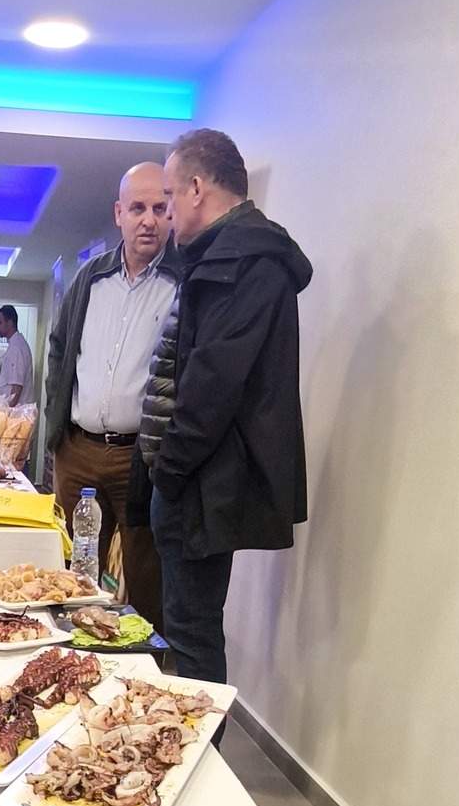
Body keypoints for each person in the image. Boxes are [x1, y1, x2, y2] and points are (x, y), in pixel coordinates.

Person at [150, 129, 312, 683]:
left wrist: (168, 472)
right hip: (200, 480)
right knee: (188, 629)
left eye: (169, 197)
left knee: (191, 636)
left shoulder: (242, 261)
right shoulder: (230, 255)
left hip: (202, 482)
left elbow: (210, 388)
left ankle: (192, 741)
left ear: (197, 188)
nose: (167, 213)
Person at [44, 162, 178, 624]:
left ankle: (139, 662)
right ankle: (63, 654)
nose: (149, 220)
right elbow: (60, 349)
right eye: (138, 208)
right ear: (119, 213)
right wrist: (56, 429)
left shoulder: (182, 283)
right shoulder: (89, 278)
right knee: (68, 572)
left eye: (160, 208)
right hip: (77, 450)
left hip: (139, 458)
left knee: (144, 575)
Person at [0, 303, 33, 404]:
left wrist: (7, 410)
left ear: (10, 323)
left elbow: (16, 388)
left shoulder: (16, 348)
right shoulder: (15, 345)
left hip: (15, 410)